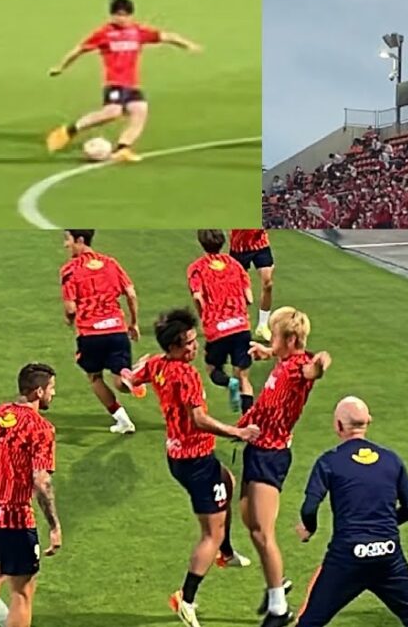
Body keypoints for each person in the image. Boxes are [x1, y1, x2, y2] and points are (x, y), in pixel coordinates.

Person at [128, 308, 260, 627]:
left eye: (193, 339)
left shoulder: (156, 364)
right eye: (188, 343)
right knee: (210, 533)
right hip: (196, 460)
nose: (195, 346)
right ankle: (185, 599)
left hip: (178, 455)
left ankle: (226, 553)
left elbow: (130, 380)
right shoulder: (186, 375)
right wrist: (238, 431)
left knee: (227, 481)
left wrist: (131, 373)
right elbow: (198, 420)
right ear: (173, 347)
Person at [294, 397, 408, 627]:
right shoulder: (391, 460)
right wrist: (383, 524)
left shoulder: (329, 462)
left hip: (347, 558)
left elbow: (309, 508)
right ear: (368, 421)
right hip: (388, 556)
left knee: (311, 622)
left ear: (338, 425)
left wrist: (309, 528)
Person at [240, 307, 331, 624]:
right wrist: (268, 352)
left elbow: (312, 370)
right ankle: (275, 583)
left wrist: (321, 362)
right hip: (255, 449)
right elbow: (288, 358)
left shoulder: (298, 369)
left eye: (274, 336)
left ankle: (279, 608)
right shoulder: (284, 361)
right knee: (250, 523)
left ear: (291, 339)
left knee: (264, 532)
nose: (270, 340)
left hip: (271, 456)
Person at [45, 0, 202, 161]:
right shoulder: (104, 34)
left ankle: (123, 148)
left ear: (131, 15)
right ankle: (67, 131)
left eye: (125, 15)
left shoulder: (138, 32)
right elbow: (80, 49)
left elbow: (167, 36)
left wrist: (188, 45)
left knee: (140, 111)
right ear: (112, 15)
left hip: (132, 84)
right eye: (118, 15)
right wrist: (61, 67)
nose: (122, 18)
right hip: (114, 82)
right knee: (112, 112)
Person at [0, 364, 62, 627]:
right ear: (38, 391)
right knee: (22, 592)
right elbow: (41, 481)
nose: (54, 394)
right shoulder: (40, 428)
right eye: (51, 388)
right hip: (14, 519)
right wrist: (54, 525)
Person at [59, 229, 140, 435]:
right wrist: (134, 323)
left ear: (80, 240)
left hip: (91, 334)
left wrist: (69, 319)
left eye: (68, 240)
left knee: (94, 377)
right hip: (117, 330)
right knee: (120, 380)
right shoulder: (111, 263)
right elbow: (131, 293)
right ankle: (134, 375)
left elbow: (71, 308)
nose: (66, 245)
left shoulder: (70, 269)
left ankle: (123, 421)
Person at [187, 230, 255, 413]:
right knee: (244, 378)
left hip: (217, 329)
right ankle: (248, 420)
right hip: (241, 326)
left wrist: (204, 314)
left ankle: (228, 382)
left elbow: (197, 296)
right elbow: (249, 298)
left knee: (212, 368)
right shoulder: (235, 264)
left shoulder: (197, 268)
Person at [229, 229, 275, 341]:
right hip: (239, 247)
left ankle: (263, 325)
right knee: (238, 288)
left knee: (268, 283)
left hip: (260, 244)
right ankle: (238, 324)